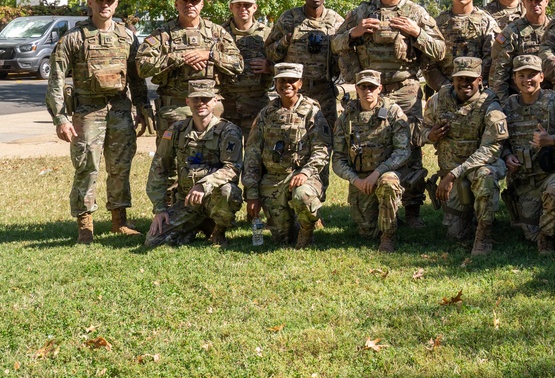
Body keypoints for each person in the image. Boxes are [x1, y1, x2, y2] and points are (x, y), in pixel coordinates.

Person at [332, 0, 446, 228]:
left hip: (405, 90)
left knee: (412, 146)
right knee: (371, 144)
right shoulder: (361, 12)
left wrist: (417, 32)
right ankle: (376, 197)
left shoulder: (416, 13)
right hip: (370, 94)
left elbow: (441, 50)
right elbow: (335, 45)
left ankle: (413, 209)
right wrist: (355, 33)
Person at [46, 0, 152, 243]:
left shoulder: (127, 36)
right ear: (90, 3)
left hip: (120, 109)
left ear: (116, 4)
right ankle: (85, 224)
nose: (105, 5)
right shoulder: (74, 38)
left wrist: (143, 108)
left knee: (120, 166)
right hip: (87, 111)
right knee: (86, 166)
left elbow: (137, 79)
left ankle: (120, 220)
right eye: (99, 1)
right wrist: (60, 118)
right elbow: (56, 80)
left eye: (109, 1)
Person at [422, 57, 509, 256]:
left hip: (479, 167)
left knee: (485, 176)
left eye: (470, 79)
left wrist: (452, 175)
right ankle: (469, 218)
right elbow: (420, 131)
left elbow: (491, 149)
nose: (465, 83)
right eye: (460, 78)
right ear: (453, 80)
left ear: (480, 80)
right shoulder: (438, 100)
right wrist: (430, 135)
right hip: (452, 172)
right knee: (456, 234)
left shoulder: (490, 105)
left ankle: (483, 235)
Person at [136, 0, 243, 142]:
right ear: (176, 4)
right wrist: (179, 58)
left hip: (211, 108)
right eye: (184, 1)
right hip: (175, 109)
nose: (189, 5)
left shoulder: (217, 32)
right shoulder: (163, 34)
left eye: (194, 1)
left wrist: (210, 55)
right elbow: (142, 66)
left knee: (212, 158)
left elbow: (238, 64)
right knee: (171, 160)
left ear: (202, 4)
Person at [144, 79, 244, 248]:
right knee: (153, 241)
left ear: (214, 101)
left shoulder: (228, 131)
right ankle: (196, 225)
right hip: (187, 200)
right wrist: (160, 209)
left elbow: (232, 168)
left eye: (205, 99)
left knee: (229, 191)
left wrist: (203, 185)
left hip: (215, 197)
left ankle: (218, 231)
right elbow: (159, 167)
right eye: (196, 99)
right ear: (187, 102)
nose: (200, 103)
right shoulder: (177, 130)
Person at [243, 62, 332, 249]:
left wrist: (306, 173)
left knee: (303, 196)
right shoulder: (266, 114)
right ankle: (295, 223)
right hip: (274, 179)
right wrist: (252, 193)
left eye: (292, 80)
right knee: (283, 238)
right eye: (282, 81)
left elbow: (322, 149)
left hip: (303, 176)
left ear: (300, 83)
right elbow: (252, 153)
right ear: (275, 83)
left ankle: (307, 230)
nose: (287, 85)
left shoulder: (312, 112)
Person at [500, 55, 555, 253]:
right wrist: (507, 155)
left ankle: (548, 239)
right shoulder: (507, 107)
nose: (527, 80)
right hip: (525, 182)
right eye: (521, 75)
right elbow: (498, 140)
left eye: (532, 75)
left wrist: (552, 140)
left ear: (542, 76)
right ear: (514, 79)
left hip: (552, 176)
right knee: (531, 234)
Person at [330, 70, 410, 253]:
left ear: (379, 88)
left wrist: (377, 173)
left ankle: (388, 236)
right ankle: (386, 217)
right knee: (367, 232)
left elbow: (403, 151)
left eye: (372, 87)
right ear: (357, 89)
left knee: (388, 184)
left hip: (386, 173)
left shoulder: (392, 112)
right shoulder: (346, 118)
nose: (368, 91)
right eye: (363, 86)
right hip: (361, 179)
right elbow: (338, 159)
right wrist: (356, 180)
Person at [265, 0, 344, 124]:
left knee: (326, 137)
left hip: (324, 91)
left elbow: (345, 54)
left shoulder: (336, 21)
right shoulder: (289, 18)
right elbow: (269, 53)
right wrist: (286, 40)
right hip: (295, 91)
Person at [424, 0, 499, 91]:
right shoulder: (437, 23)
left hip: (476, 90)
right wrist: (446, 88)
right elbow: (429, 62)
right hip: (445, 91)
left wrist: (475, 85)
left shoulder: (486, 22)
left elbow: (490, 59)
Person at [219, 0, 272, 138]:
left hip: (257, 102)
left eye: (247, 5)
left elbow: (282, 63)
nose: (243, 9)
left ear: (255, 7)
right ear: (231, 7)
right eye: (238, 5)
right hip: (226, 104)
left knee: (254, 152)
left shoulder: (267, 34)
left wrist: (269, 67)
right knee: (226, 152)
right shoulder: (218, 33)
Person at [489, 0, 550, 103]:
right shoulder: (511, 32)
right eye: (530, 0)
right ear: (524, 3)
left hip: (549, 100)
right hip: (519, 101)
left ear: (546, 1)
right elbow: (499, 72)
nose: (534, 3)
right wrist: (503, 104)